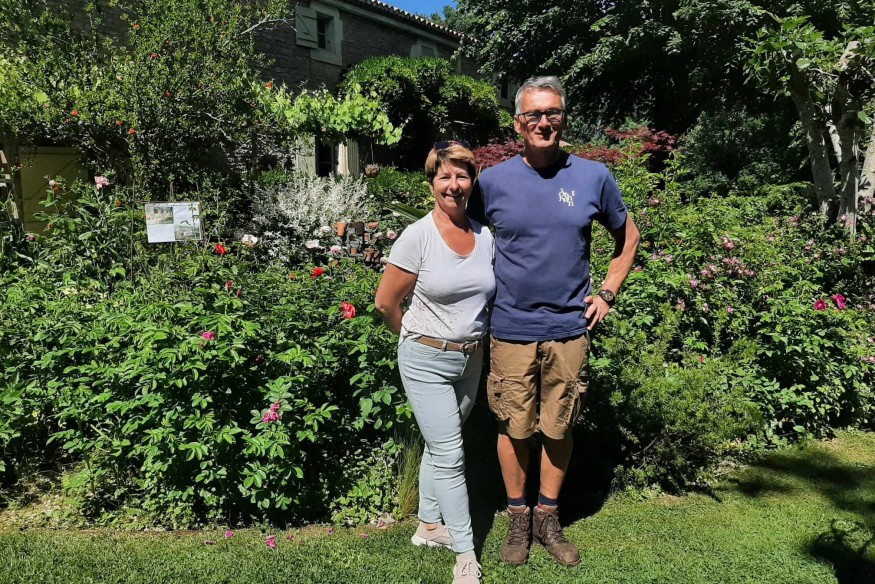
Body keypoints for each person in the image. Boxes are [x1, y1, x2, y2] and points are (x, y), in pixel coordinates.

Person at [467, 76, 641, 567]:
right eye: (533, 115)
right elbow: (464, 239)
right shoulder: (493, 182)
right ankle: (518, 517)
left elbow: (628, 238)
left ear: (564, 118)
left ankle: (547, 515)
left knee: (558, 428)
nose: (543, 123)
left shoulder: (592, 177)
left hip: (569, 329)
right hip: (510, 329)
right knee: (513, 429)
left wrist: (607, 292)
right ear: (518, 122)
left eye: (553, 113)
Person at [375, 142, 494, 584]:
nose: (454, 185)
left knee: (442, 446)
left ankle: (428, 525)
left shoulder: (484, 236)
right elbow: (386, 303)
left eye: (462, 176)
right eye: (444, 176)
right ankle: (465, 554)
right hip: (425, 358)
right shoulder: (417, 236)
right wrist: (416, 339)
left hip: (472, 361)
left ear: (472, 182)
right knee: (450, 453)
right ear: (432, 184)